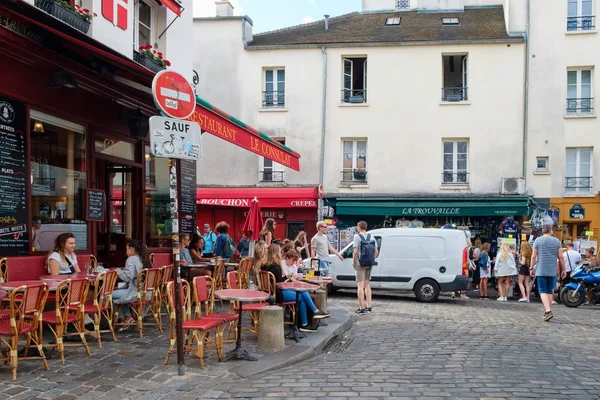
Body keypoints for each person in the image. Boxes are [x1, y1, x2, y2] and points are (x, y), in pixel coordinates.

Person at [261, 244, 329, 332]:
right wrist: (289, 279)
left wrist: (287, 278)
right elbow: (280, 284)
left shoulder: (265, 266)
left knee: (302, 293)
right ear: (275, 254)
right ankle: (309, 319)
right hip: (278, 295)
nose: (281, 253)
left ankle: (308, 320)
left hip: (271, 294)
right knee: (301, 296)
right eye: (279, 252)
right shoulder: (276, 267)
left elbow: (278, 280)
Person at [112, 239, 152, 328]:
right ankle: (127, 317)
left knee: (107, 295)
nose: (126, 252)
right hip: (148, 293)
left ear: (132, 249)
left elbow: (127, 278)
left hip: (136, 293)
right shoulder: (144, 258)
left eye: (127, 249)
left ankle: (123, 318)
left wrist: (117, 270)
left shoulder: (131, 259)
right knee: (120, 294)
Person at [531, 225, 566, 321]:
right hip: (552, 270)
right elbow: (561, 257)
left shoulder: (538, 240)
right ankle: (548, 311)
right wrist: (564, 269)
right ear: (550, 231)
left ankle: (548, 310)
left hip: (541, 269)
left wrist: (531, 268)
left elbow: (534, 256)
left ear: (542, 231)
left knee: (542, 290)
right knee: (550, 290)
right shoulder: (557, 241)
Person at [352, 221, 378, 315]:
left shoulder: (357, 236)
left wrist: (353, 262)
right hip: (369, 263)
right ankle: (369, 306)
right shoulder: (372, 237)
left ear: (359, 227)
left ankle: (361, 308)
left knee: (360, 285)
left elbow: (355, 251)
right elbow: (376, 251)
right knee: (367, 284)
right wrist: (371, 259)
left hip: (360, 263)